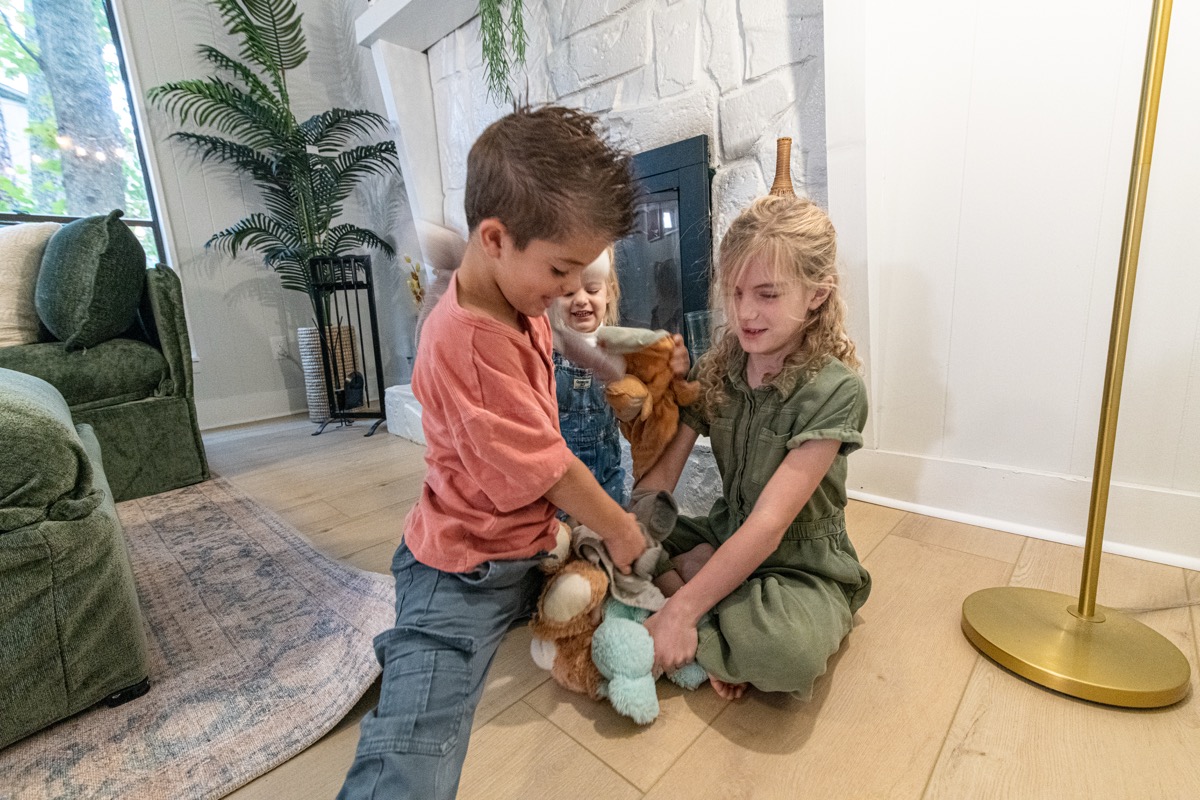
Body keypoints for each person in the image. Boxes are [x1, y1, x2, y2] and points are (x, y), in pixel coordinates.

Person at [337, 105, 646, 800]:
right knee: (419, 741)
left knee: (603, 577)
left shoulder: (514, 301)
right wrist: (620, 528)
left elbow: (553, 387)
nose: (571, 289)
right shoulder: (469, 344)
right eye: (562, 269)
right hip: (460, 568)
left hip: (526, 542)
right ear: (496, 238)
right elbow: (550, 466)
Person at [638, 194, 872, 702]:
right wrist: (625, 533)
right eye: (736, 292)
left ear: (816, 294)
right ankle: (713, 599)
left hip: (800, 561)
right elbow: (661, 482)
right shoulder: (719, 371)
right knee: (620, 535)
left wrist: (680, 610)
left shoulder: (836, 390)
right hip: (727, 529)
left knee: (787, 656)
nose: (745, 312)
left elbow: (769, 526)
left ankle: (692, 596)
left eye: (766, 294)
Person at [552, 246, 628, 508]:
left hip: (607, 477)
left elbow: (629, 412)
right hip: (558, 482)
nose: (581, 299)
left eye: (592, 290)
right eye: (569, 292)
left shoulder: (616, 349)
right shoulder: (547, 349)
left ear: (610, 293)